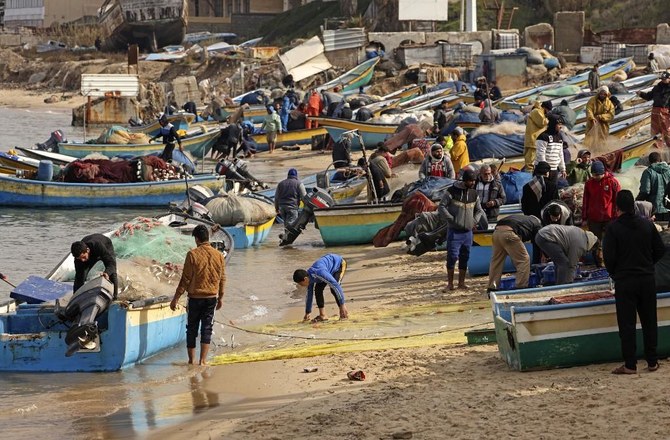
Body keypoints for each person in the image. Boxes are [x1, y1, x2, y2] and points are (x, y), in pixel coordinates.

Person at [603, 190, 665, 374]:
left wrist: (616, 273)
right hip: (646, 278)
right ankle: (652, 361)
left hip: (625, 280)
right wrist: (648, 263)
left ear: (617, 207)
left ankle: (630, 364)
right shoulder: (647, 225)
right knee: (649, 321)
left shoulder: (613, 229)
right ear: (634, 205)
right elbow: (660, 250)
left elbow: (609, 258)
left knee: (627, 324)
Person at [170, 225, 226, 366]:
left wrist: (176, 298)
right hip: (211, 298)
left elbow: (185, 279)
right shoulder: (219, 255)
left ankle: (191, 361)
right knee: (207, 328)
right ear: (207, 237)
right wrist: (221, 297)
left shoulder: (192, 254)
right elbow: (223, 278)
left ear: (196, 239)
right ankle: (203, 361)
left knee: (192, 329)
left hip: (195, 298)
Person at [437, 169, 485, 290]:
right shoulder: (452, 191)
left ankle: (461, 283)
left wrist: (474, 221)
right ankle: (450, 284)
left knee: (465, 256)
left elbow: (479, 210)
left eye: (474, 180)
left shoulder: (474, 194)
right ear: (464, 181)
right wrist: (451, 219)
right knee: (452, 256)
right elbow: (442, 206)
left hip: (468, 232)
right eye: (470, 181)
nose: (473, 183)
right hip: (454, 231)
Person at [487, 214, 542, 291]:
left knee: (496, 261)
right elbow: (538, 242)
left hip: (496, 233)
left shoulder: (522, 219)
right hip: (509, 233)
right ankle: (521, 286)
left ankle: (492, 287)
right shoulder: (536, 224)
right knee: (524, 260)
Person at [583, 160, 621, 267]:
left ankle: (613, 263)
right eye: (593, 175)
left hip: (610, 218)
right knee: (595, 243)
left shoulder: (613, 182)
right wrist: (584, 217)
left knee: (611, 242)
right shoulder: (589, 184)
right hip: (594, 218)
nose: (595, 177)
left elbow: (618, 200)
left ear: (603, 172)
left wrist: (617, 216)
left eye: (597, 175)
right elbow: (585, 200)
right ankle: (599, 264)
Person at [293, 254, 349, 323]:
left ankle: (343, 312)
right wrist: (308, 312)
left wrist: (342, 304)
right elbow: (309, 296)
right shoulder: (309, 279)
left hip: (339, 264)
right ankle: (323, 315)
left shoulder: (319, 273)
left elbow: (336, 286)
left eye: (301, 284)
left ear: (305, 279)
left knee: (333, 289)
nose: (301, 286)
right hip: (327, 269)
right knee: (318, 290)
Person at [71, 234, 118, 300]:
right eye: (79, 258)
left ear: (87, 250)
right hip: (88, 243)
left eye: (83, 257)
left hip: (105, 245)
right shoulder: (78, 258)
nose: (82, 260)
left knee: (112, 274)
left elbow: (111, 264)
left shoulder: (98, 246)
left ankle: (115, 297)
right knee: (80, 276)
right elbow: (78, 279)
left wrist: (107, 272)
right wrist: (75, 297)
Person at [637, 71, 670, 149]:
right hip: (655, 112)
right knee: (655, 132)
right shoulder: (657, 87)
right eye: (662, 79)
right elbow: (648, 96)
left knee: (667, 131)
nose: (663, 80)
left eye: (665, 79)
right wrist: (640, 94)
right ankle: (657, 150)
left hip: (666, 112)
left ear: (669, 78)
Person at [637, 151, 670, 221]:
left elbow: (645, 191)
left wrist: (636, 202)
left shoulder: (648, 172)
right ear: (660, 160)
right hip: (668, 209)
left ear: (649, 162)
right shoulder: (669, 170)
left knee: (656, 230)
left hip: (654, 210)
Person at [275, 168, 307, 238]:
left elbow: (276, 197)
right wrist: (306, 206)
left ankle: (285, 237)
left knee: (286, 224)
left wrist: (276, 208)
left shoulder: (281, 184)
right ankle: (287, 237)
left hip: (282, 208)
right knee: (291, 224)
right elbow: (304, 197)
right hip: (292, 207)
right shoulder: (299, 183)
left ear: (288, 175)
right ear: (296, 175)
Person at [535, 115, 566, 182]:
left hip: (554, 170)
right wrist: (545, 170)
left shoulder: (559, 137)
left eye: (561, 125)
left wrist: (563, 169)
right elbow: (540, 154)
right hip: (543, 171)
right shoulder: (543, 137)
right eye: (559, 124)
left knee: (552, 190)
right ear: (553, 124)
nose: (560, 127)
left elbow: (560, 154)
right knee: (542, 190)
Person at [524, 100, 551, 170]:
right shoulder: (537, 111)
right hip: (533, 140)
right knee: (530, 161)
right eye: (548, 110)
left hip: (534, 139)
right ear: (545, 108)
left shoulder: (539, 111)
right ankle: (529, 175)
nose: (548, 112)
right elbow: (541, 123)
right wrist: (548, 119)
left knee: (533, 160)